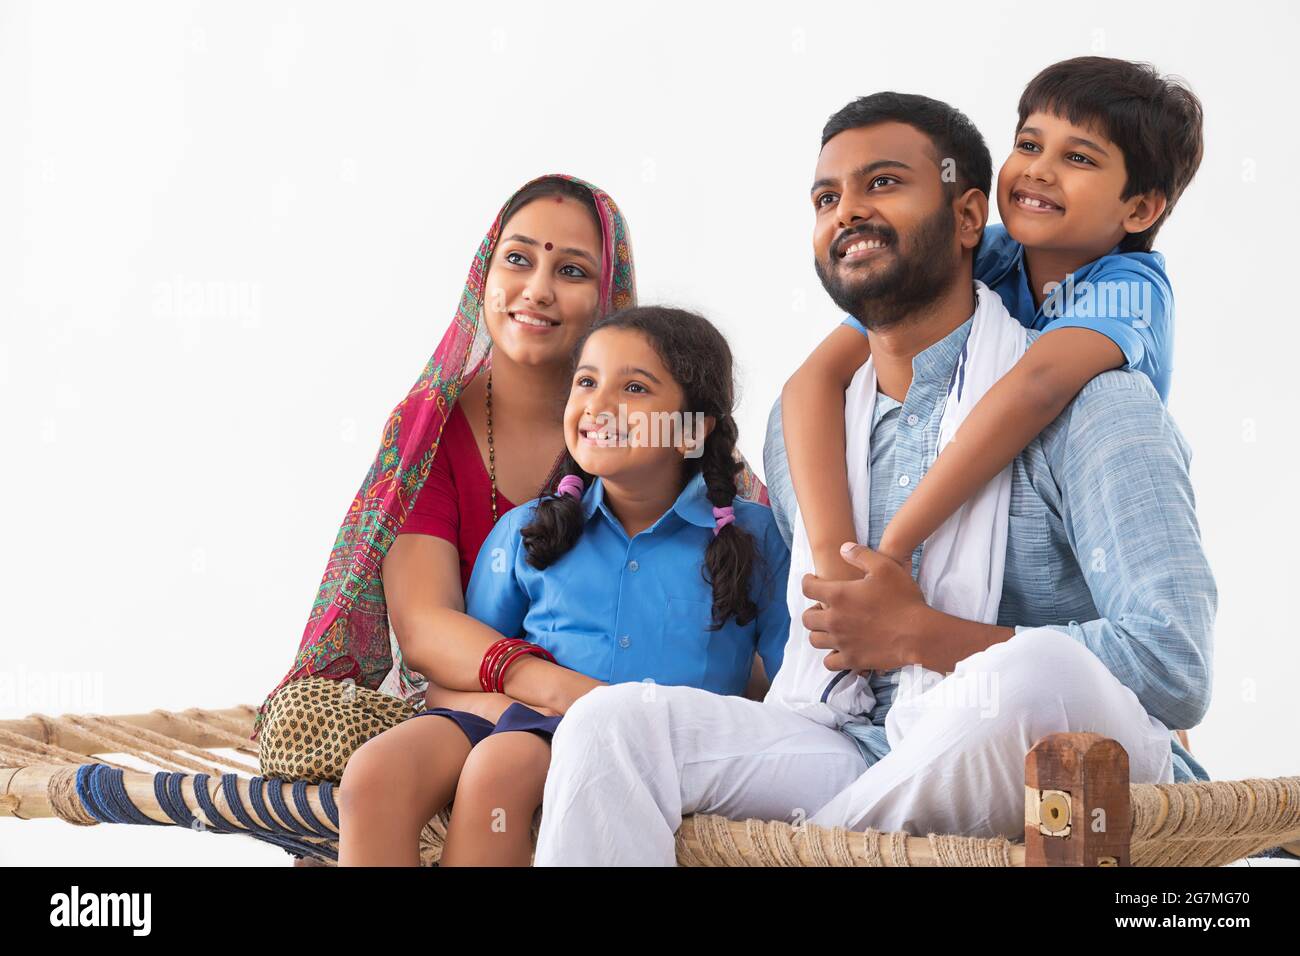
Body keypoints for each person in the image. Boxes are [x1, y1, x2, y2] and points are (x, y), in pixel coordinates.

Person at [530, 93, 1216, 866]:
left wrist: (928, 637)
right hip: (861, 745)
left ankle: (824, 851)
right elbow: (816, 630)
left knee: (1034, 673)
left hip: (1051, 741)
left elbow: (1172, 667)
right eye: (827, 197)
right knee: (613, 726)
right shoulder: (807, 428)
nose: (848, 211)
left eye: (884, 183)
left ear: (968, 221)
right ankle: (852, 842)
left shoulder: (1096, 401)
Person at [337, 305, 790, 866]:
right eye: (586, 382)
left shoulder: (753, 536)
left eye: (634, 387)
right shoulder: (529, 531)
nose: (599, 405)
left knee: (499, 770)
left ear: (692, 430)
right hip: (516, 716)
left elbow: (795, 685)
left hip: (648, 746)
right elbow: (458, 673)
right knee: (373, 773)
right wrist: (517, 710)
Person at [250, 173, 642, 794]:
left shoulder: (646, 424)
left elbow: (738, 549)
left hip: (631, 709)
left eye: (571, 272)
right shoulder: (430, 428)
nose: (536, 291)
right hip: (474, 710)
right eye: (518, 259)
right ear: (483, 275)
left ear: (610, 299)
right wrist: (562, 693)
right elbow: (425, 626)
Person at [782, 57, 1204, 590]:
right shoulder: (987, 248)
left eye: (1077, 157)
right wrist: (835, 557)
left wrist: (894, 547)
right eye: (1029, 145)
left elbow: (1039, 385)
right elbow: (813, 379)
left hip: (1079, 500)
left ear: (1140, 210)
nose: (1039, 170)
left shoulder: (1130, 288)